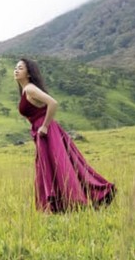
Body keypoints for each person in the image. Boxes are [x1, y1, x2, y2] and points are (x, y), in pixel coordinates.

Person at [14, 57, 115, 212]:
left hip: (47, 131)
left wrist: (45, 126)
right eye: (16, 67)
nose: (16, 70)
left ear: (28, 73)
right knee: (53, 165)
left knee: (60, 164)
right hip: (41, 132)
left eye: (20, 68)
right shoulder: (25, 90)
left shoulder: (30, 89)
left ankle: (76, 200)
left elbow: (53, 103)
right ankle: (59, 205)